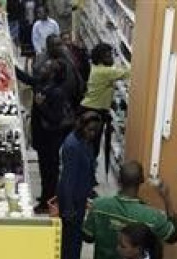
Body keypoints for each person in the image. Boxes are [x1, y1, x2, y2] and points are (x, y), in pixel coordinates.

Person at [15, 59, 71, 214]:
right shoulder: (43, 82)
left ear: (53, 73)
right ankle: (46, 196)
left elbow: (55, 118)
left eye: (47, 67)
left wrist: (41, 105)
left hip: (51, 139)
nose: (42, 68)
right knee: (44, 169)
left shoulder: (57, 92)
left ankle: (48, 203)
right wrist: (10, 66)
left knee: (50, 172)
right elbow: (27, 79)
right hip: (41, 137)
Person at [57, 111, 101, 259]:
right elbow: (68, 179)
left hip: (79, 196)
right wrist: (68, 207)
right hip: (71, 199)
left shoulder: (83, 141)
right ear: (81, 126)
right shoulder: (72, 146)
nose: (93, 134)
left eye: (95, 131)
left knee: (74, 238)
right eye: (90, 130)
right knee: (71, 240)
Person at [80, 43, 129, 182]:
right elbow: (129, 72)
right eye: (108, 55)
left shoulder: (98, 68)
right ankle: (87, 180)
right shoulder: (105, 72)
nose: (111, 58)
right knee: (91, 149)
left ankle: (89, 177)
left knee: (91, 147)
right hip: (93, 112)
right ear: (101, 58)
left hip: (92, 109)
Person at [34, 34, 85, 108]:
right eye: (57, 45)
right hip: (57, 102)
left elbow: (74, 69)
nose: (60, 47)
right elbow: (38, 83)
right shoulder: (42, 62)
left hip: (73, 97)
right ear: (49, 47)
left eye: (60, 44)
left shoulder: (65, 53)